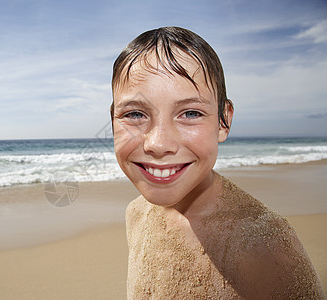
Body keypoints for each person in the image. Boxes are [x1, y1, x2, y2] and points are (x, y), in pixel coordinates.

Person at [111, 27, 324, 299]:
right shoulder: (136, 214)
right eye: (135, 114)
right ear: (113, 122)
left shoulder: (264, 244)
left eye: (190, 113)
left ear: (223, 120)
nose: (159, 143)